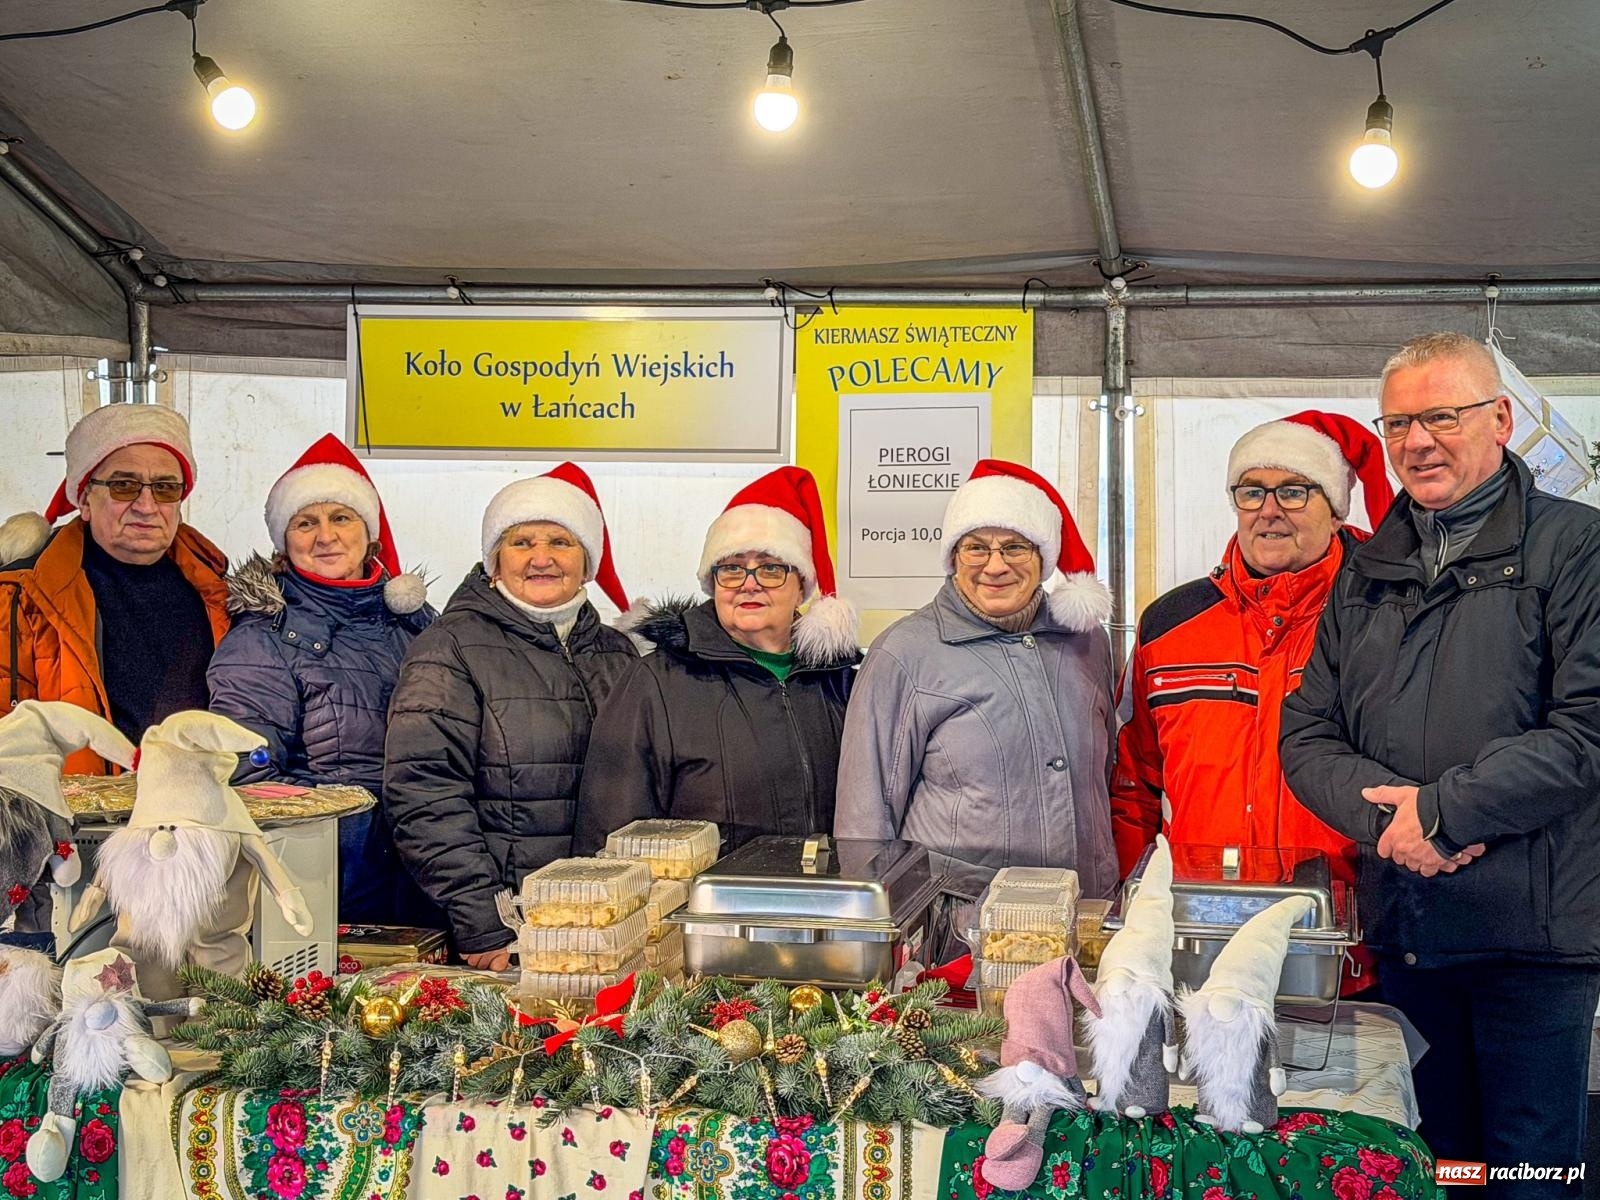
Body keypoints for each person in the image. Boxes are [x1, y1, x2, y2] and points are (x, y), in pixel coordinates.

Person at [1281, 332, 1600, 1184]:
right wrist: (1396, 824)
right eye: (1397, 425)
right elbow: (1306, 734)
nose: (1417, 442)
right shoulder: (1368, 570)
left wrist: (1442, 812)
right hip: (1410, 936)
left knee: (1530, 1176)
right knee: (1430, 1172)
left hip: (1531, 948)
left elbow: (1587, 733)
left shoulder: (1577, 549)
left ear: (1500, 420)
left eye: (1442, 417)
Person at [834, 459, 1119, 928]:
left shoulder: (1086, 642)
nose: (996, 565)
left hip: (1086, 916)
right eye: (976, 548)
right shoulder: (905, 652)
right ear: (952, 556)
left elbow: (1107, 775)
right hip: (963, 929)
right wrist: (880, 933)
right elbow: (865, 819)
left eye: (1015, 547)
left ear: (1043, 558)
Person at [1111, 412, 1393, 884]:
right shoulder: (1169, 624)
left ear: (1337, 509)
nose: (1269, 510)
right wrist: (1134, 898)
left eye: (1294, 491)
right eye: (1251, 491)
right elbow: (1132, 784)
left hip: (1348, 921)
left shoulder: (1387, 617)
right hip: (1198, 917)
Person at [384, 464, 637, 971]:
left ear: (587, 561)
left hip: (607, 927)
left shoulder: (619, 653)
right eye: (521, 542)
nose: (541, 558)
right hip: (510, 934)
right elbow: (423, 793)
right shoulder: (449, 648)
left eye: (560, 542)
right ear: (494, 561)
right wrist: (484, 920)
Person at [206, 434, 435, 924]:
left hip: (427, 875)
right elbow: (248, 775)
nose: (325, 536)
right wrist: (353, 833)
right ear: (285, 544)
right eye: (305, 523)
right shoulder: (259, 642)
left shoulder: (419, 626)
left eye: (341, 518)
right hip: (329, 886)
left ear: (368, 534)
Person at [573, 466, 858, 854]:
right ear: (713, 582)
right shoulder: (657, 682)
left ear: (801, 585)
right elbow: (611, 829)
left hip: (824, 907)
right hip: (705, 912)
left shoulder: (840, 681)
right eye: (732, 568)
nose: (749, 583)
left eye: (771, 568)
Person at [0, 403, 228, 765]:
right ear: (85, 499)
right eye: (124, 485)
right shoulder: (20, 595)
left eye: (166, 488)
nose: (147, 505)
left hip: (198, 809)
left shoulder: (221, 590)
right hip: (79, 816)